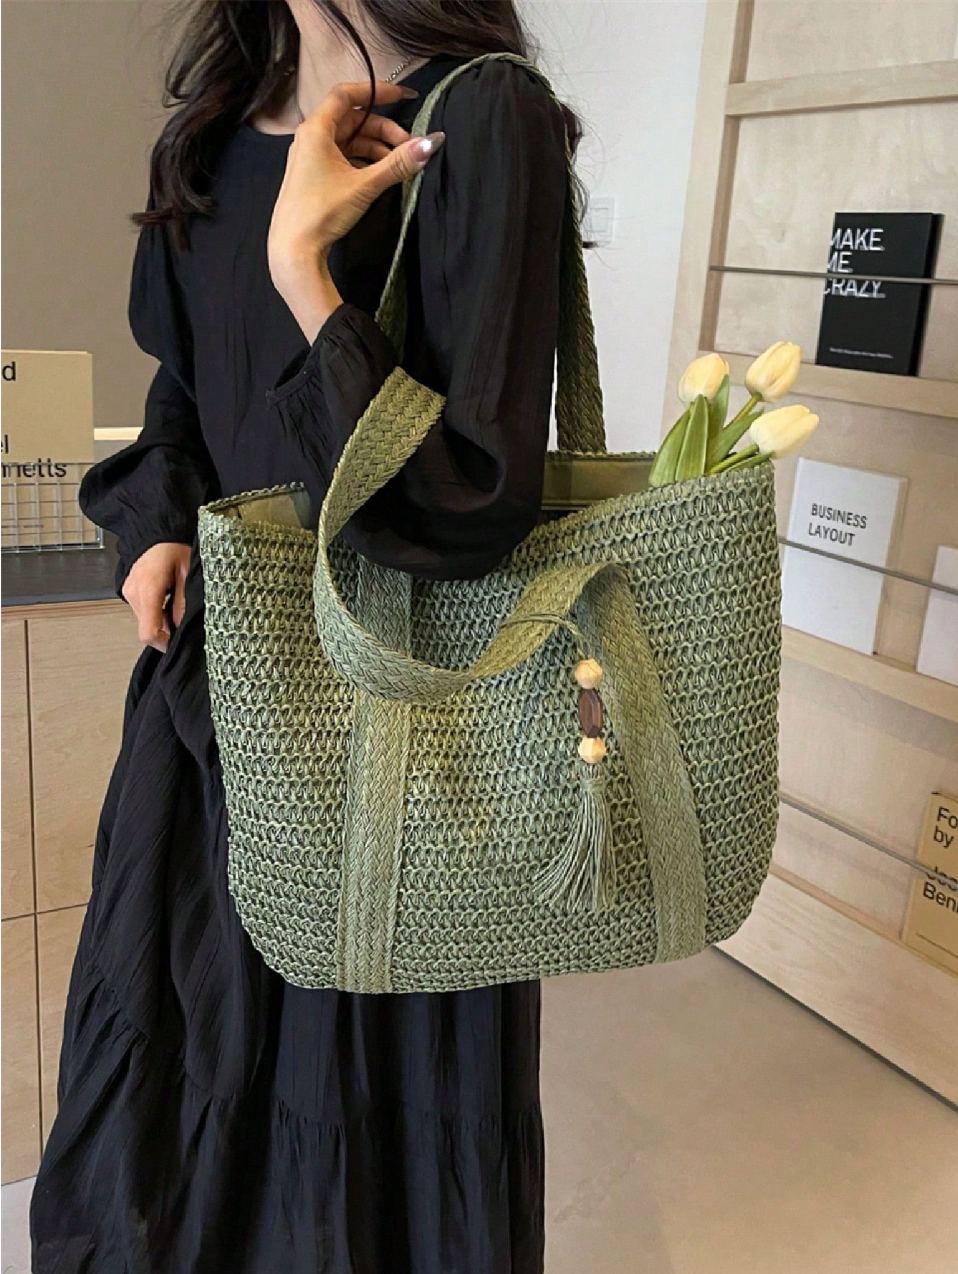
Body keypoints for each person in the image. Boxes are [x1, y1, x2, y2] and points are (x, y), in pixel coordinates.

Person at [30, 2, 578, 1270]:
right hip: (211, 713)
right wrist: (157, 516)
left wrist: (305, 272)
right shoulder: (212, 136)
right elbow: (182, 387)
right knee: (169, 1096)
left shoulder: (478, 115)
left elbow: (474, 494)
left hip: (394, 734)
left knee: (360, 1138)